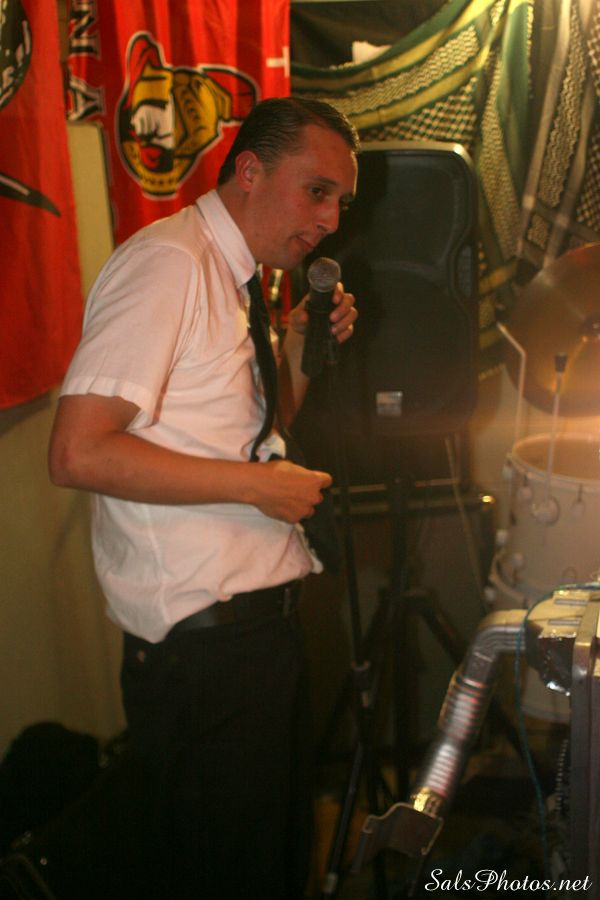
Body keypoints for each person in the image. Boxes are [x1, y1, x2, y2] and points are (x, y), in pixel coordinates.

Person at [48, 96, 360, 899]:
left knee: (271, 867)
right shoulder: (169, 264)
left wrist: (299, 346)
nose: (330, 220)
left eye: (340, 201)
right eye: (316, 192)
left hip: (254, 636)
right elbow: (79, 450)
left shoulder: (238, 275)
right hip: (205, 654)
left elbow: (253, 434)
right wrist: (259, 487)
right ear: (250, 170)